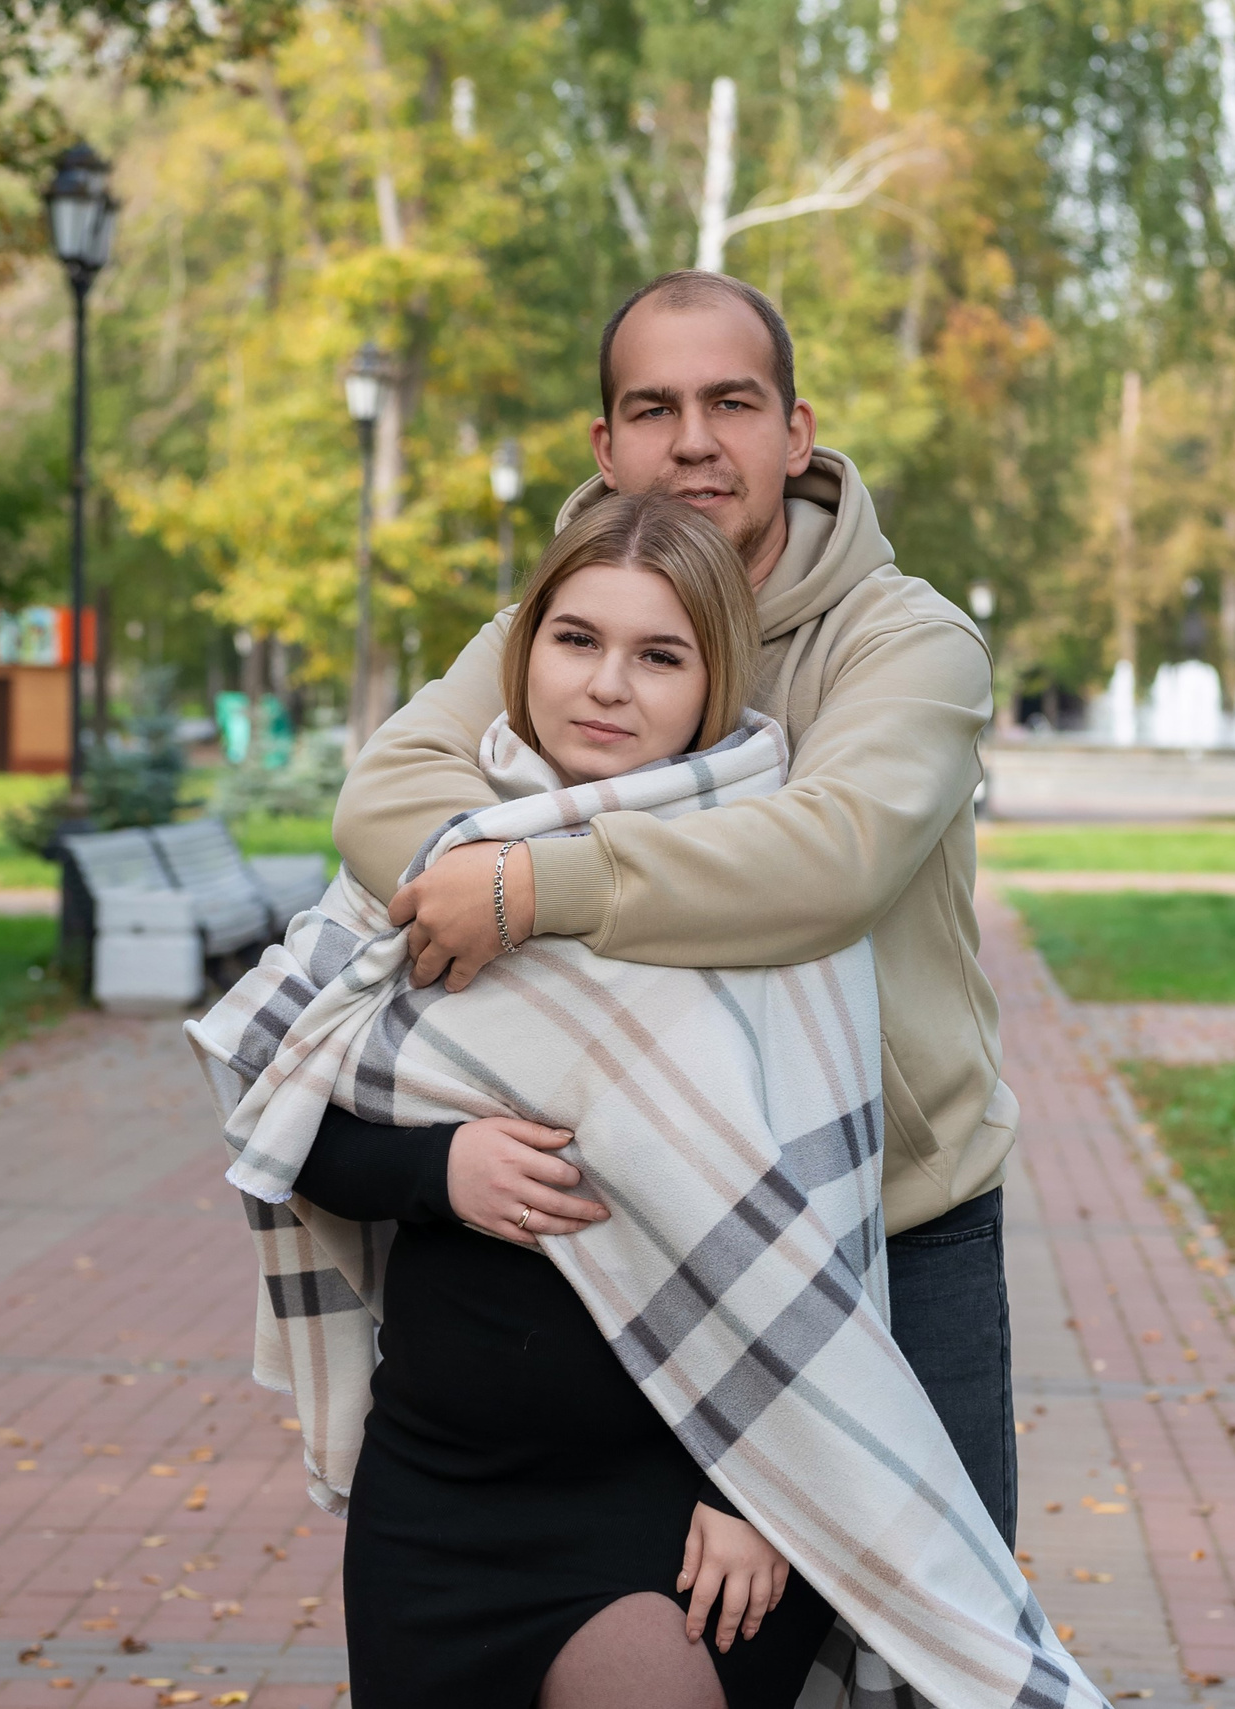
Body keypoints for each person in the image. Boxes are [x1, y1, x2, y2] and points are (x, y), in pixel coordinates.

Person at [334, 269, 1020, 1550]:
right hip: (638, 1210)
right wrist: (471, 873)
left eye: (731, 402)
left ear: (796, 432)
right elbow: (384, 791)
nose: (692, 440)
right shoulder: (559, 612)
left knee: (938, 1636)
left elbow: (832, 856)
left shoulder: (903, 641)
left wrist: (537, 885)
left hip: (894, 1224)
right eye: (652, 407)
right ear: (606, 444)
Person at [293, 494, 842, 1707]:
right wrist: (440, 1171)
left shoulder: (765, 876)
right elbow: (293, 1130)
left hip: (678, 1494)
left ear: (713, 680)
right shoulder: (429, 855)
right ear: (524, 646)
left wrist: (759, 1484)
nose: (608, 684)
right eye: (576, 639)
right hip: (436, 1492)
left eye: (659, 655)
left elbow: (825, 1223)